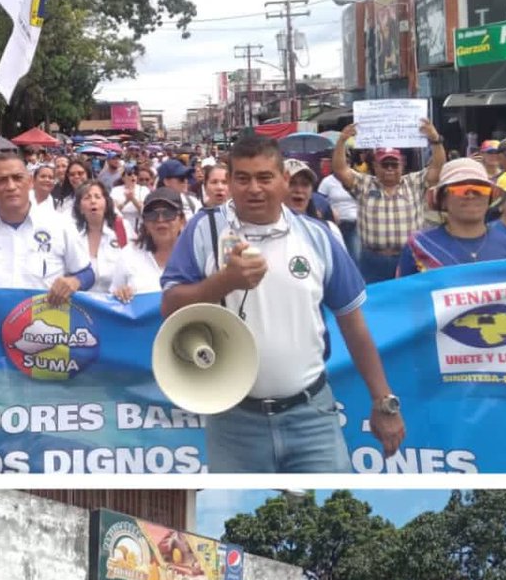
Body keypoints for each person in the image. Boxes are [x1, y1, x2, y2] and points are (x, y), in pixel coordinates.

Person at [160, 134, 405, 473]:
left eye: (264, 177)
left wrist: (384, 402)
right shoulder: (205, 230)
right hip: (234, 422)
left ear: (284, 180)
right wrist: (224, 281)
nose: (254, 189)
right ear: (229, 181)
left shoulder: (318, 236)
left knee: (334, 509)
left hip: (312, 417)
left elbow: (354, 324)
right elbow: (170, 307)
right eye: (242, 178)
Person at [0, 152, 93, 301]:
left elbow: (87, 273)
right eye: (1, 181)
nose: (11, 186)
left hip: (48, 321)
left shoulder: (61, 225)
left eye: (17, 178)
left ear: (30, 182)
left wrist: (75, 281)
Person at [331, 120, 446, 283]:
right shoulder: (364, 184)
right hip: (372, 260)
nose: (390, 168)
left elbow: (438, 168)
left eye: (394, 164)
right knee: (374, 304)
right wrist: (342, 141)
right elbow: (340, 170)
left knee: (410, 302)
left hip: (410, 258)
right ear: (375, 166)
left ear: (402, 165)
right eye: (385, 164)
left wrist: (435, 139)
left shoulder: (414, 182)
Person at [397, 160, 506, 275]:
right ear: (443, 200)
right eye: (460, 190)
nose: (470, 196)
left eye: (480, 190)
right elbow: (402, 291)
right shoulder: (419, 246)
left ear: (489, 198)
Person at [112, 188, 186, 302]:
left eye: (168, 213)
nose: (160, 220)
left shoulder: (196, 257)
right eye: (152, 214)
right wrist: (120, 294)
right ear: (145, 223)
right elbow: (113, 296)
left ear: (182, 221)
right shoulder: (128, 255)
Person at [71, 180, 126, 294]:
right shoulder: (71, 234)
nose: (93, 201)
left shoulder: (123, 229)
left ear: (106, 204)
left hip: (116, 303)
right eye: (87, 198)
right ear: (80, 208)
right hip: (81, 304)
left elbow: (134, 266)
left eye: (97, 197)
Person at [318, 165, 359, 259]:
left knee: (355, 256)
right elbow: (320, 201)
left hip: (354, 224)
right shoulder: (327, 182)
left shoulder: (357, 178)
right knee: (337, 256)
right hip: (335, 225)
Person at [111, 165, 148, 235]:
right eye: (129, 174)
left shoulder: (144, 190)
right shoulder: (115, 190)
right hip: (121, 226)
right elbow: (113, 210)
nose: (133, 176)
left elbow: (145, 210)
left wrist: (133, 199)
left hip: (138, 227)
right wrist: (126, 201)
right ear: (123, 177)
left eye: (135, 174)